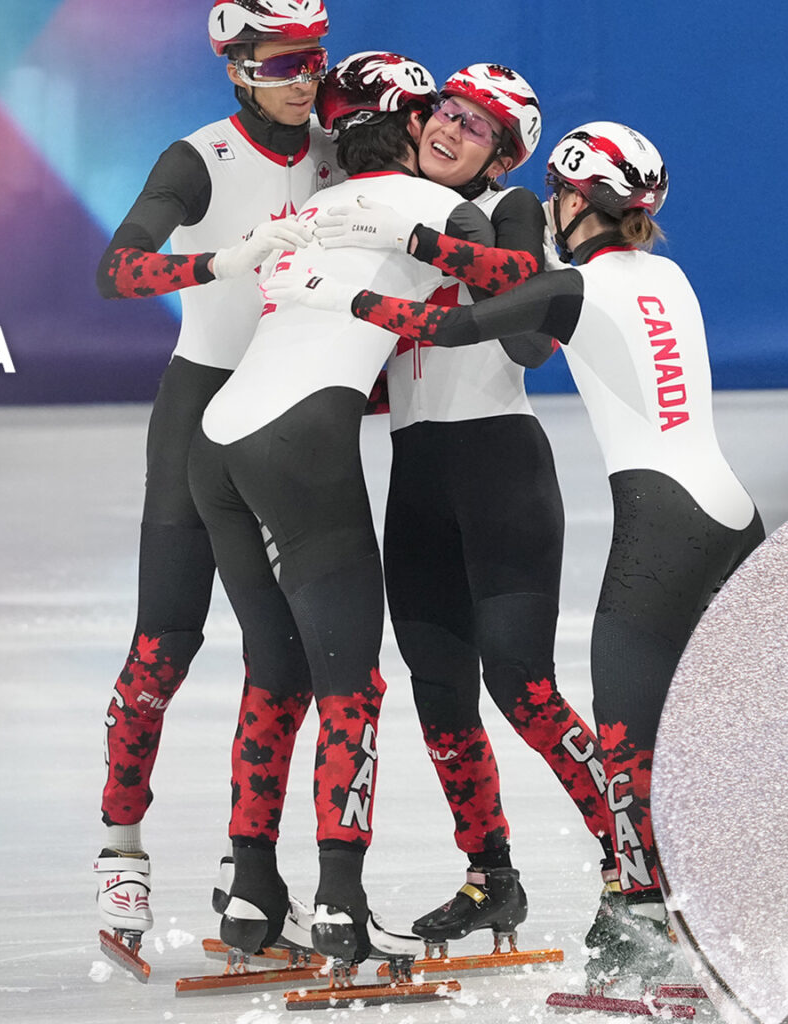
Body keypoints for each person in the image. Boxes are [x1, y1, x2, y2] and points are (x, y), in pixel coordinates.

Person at [266, 121, 766, 991]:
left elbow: (451, 326)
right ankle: (716, 898)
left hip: (664, 530)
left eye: (560, 196)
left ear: (576, 201)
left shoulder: (571, 285)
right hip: (731, 516)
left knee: (629, 747)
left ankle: (647, 923)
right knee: (728, 731)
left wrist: (330, 285)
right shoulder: (668, 275)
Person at [188, 50, 496, 965]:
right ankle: (340, 905)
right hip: (300, 446)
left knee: (273, 673)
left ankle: (253, 893)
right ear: (411, 128)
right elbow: (511, 282)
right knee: (349, 687)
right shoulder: (436, 205)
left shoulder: (319, 206)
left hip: (219, 440)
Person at [309, 65, 616, 952]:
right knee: (440, 696)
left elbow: (531, 344)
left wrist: (453, 240)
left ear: (502, 157)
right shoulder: (399, 209)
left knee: (523, 688)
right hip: (416, 477)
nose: (449, 129)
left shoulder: (509, 212)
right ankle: (492, 878)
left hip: (499, 472)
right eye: (445, 112)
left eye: (475, 128)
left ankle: (636, 861)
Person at [90, 0, 336, 959]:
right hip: (200, 413)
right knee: (166, 643)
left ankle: (250, 877)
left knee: (286, 658)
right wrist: (221, 262)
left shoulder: (340, 153)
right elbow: (116, 271)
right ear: (236, 68)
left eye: (312, 59)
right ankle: (121, 852)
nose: (301, 78)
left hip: (288, 418)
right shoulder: (198, 158)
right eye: (279, 63)